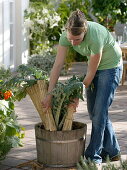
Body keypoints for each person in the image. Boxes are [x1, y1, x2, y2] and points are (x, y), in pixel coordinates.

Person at [42, 9, 123, 164]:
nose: (73, 43)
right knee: (94, 113)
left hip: (111, 67)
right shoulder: (66, 36)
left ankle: (93, 156)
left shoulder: (95, 36)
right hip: (95, 68)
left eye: (77, 39)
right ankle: (113, 151)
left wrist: (77, 96)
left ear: (85, 31)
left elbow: (91, 72)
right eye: (71, 39)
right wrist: (49, 94)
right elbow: (58, 66)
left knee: (99, 112)